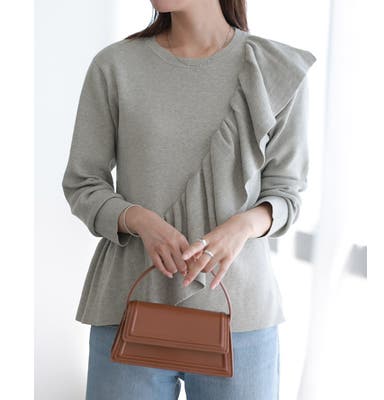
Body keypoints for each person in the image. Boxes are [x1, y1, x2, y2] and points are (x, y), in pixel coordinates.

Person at [61, 0, 316, 399]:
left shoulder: (276, 69)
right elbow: (83, 183)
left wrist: (241, 227)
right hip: (129, 306)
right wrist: (139, 220)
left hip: (239, 319)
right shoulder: (115, 66)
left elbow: (286, 192)